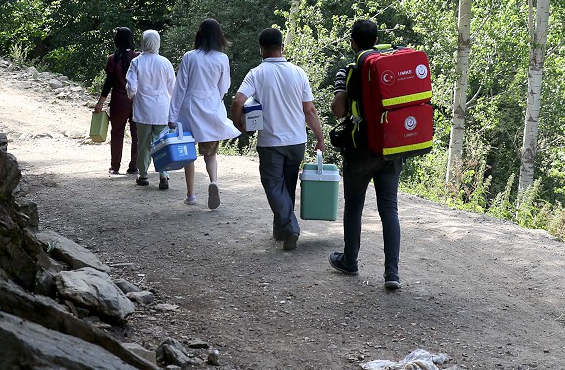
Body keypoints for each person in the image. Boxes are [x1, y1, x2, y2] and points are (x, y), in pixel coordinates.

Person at [231, 27, 325, 251]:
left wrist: (238, 123)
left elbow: (237, 102)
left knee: (273, 184)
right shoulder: (298, 72)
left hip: (271, 142)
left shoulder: (256, 73)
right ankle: (280, 230)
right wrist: (320, 138)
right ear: (283, 47)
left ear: (261, 49)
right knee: (287, 186)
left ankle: (290, 227)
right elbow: (309, 110)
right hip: (296, 141)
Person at [328, 19, 404, 290]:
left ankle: (350, 260)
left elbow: (339, 110)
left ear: (353, 42)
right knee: (389, 208)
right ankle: (392, 273)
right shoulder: (390, 67)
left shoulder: (349, 70)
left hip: (361, 149)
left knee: (354, 205)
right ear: (376, 39)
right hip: (391, 148)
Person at [168, 18, 241, 208]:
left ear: (199, 34)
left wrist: (172, 116)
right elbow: (224, 87)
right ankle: (214, 182)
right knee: (211, 154)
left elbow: (180, 88)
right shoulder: (222, 59)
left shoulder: (189, 57)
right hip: (211, 108)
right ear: (219, 36)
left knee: (188, 153)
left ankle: (191, 195)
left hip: (189, 109)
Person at [126, 29, 175, 189]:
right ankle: (164, 175)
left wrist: (132, 95)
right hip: (162, 109)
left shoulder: (137, 62)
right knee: (162, 143)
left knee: (144, 144)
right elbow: (173, 88)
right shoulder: (165, 62)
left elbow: (131, 86)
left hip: (143, 109)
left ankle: (144, 175)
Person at [94, 27, 139, 175]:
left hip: (119, 101)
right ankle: (134, 165)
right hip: (136, 100)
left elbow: (109, 82)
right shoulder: (138, 57)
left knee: (117, 133)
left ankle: (115, 166)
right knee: (136, 134)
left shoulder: (113, 59)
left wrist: (101, 102)